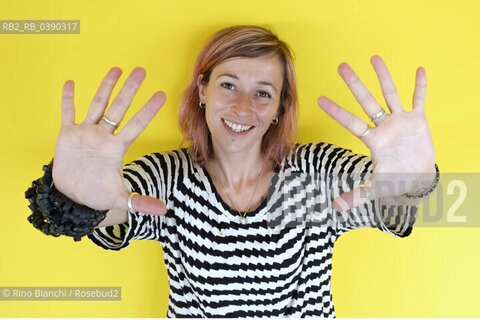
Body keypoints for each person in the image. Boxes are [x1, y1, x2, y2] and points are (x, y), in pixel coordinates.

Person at [28, 25, 438, 317]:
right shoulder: (171, 176)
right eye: (228, 85)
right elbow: (110, 210)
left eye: (263, 92)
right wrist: (79, 200)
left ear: (280, 108)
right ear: (202, 90)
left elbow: (410, 208)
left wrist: (414, 180)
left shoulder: (314, 172)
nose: (243, 108)